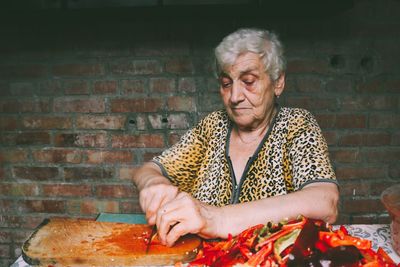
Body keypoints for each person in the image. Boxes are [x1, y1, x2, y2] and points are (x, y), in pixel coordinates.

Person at [132, 28, 339, 247]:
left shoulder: (296, 125)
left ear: (278, 82)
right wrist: (154, 183)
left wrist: (218, 218)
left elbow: (325, 201)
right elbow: (146, 170)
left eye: (248, 81)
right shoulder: (213, 127)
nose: (235, 97)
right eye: (226, 83)